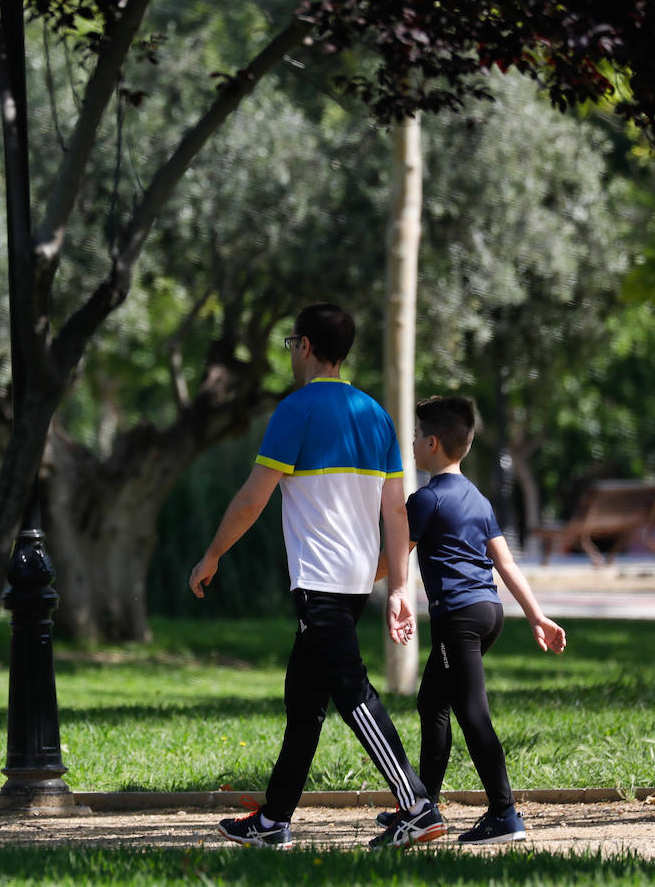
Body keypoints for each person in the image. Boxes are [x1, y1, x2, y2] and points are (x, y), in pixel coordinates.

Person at [188, 302, 444, 850]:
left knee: (351, 692)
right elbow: (396, 510)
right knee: (304, 701)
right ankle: (273, 819)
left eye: (290, 344)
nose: (289, 353)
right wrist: (398, 586)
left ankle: (418, 805)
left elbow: (254, 496)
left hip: (319, 582)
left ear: (304, 346)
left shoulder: (296, 411)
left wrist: (212, 554)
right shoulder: (375, 414)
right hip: (353, 583)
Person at [372, 396, 566, 845]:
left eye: (418, 436)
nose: (413, 443)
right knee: (433, 703)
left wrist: (349, 578)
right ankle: (422, 808)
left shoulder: (425, 501)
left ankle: (504, 814)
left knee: (471, 711)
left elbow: (392, 559)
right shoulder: (477, 499)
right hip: (488, 613)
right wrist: (536, 616)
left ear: (434, 443)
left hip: (457, 618)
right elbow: (506, 564)